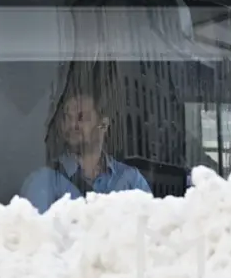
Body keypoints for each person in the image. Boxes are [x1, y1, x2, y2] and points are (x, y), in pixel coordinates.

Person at [19, 88, 151, 213]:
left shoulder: (132, 181)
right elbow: (38, 234)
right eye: (67, 118)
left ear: (103, 125)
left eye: (81, 117)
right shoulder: (43, 181)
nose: (72, 125)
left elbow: (149, 231)